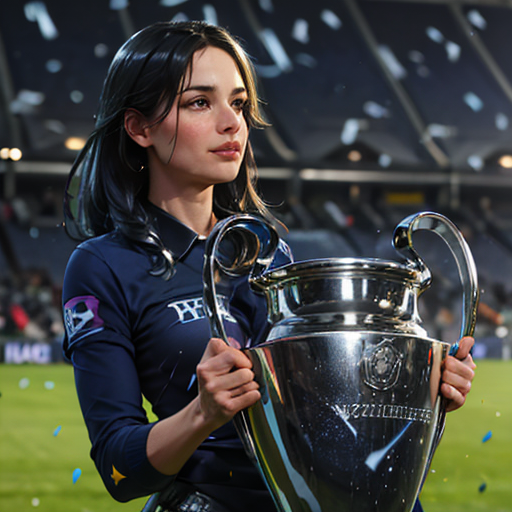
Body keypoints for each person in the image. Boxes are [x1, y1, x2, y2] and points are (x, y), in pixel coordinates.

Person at [61, 21, 476, 512]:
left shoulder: (269, 253)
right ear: (139, 127)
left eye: (237, 103)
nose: (232, 122)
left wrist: (415, 390)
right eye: (200, 102)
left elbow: (325, 422)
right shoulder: (102, 265)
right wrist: (203, 413)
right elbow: (119, 469)